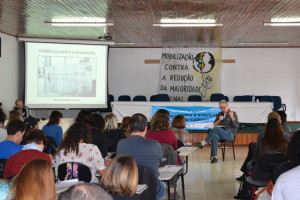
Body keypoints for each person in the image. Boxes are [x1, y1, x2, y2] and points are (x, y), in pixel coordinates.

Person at [116, 113, 165, 200]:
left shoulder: (121, 143)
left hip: (127, 188)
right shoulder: (155, 145)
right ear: (146, 128)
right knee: (163, 186)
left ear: (129, 128)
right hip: (151, 189)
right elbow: (160, 163)